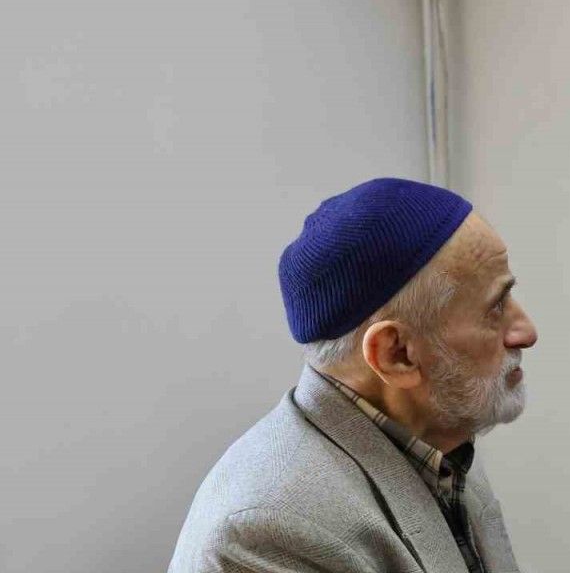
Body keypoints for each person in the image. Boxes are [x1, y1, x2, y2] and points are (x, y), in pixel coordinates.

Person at [170, 178, 535, 573]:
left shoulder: (438, 438)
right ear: (396, 354)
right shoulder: (268, 530)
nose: (526, 332)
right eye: (495, 307)